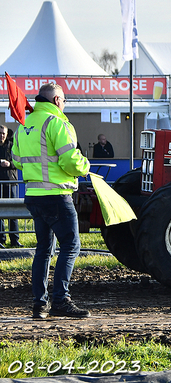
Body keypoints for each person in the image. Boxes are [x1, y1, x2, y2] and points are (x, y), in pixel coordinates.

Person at [12, 83, 91, 318]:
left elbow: (17, 160)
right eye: (64, 100)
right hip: (56, 195)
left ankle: (39, 303)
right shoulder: (57, 123)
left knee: (44, 249)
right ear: (57, 100)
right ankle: (61, 300)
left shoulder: (24, 124)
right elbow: (70, 161)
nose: (64, 105)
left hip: (34, 196)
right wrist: (84, 166)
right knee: (71, 245)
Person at [0, 125, 21, 248]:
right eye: (0, 133)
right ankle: (1, 239)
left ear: (7, 134)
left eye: (3, 133)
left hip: (11, 182)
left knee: (14, 212)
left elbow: (20, 162)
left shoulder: (13, 146)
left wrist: (10, 164)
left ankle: (15, 239)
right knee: (0, 213)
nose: (1, 135)